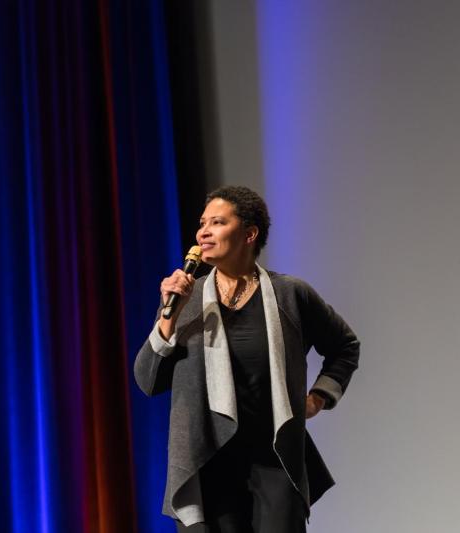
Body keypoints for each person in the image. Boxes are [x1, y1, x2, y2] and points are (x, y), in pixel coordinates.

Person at [133, 186, 360, 532]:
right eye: (202, 223)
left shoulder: (290, 294)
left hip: (274, 460)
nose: (203, 232)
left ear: (249, 233)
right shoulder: (187, 301)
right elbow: (148, 381)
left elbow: (345, 345)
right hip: (208, 461)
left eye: (218, 222)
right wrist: (169, 316)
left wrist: (318, 397)